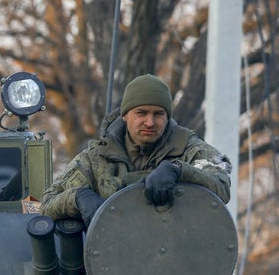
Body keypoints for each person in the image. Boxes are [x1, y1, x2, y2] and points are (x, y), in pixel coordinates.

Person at [39, 74, 231, 226]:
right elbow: (46, 204)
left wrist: (178, 170)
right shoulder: (98, 158)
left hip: (177, 260)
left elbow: (221, 185)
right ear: (125, 116)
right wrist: (78, 197)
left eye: (158, 114)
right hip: (111, 261)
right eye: (141, 113)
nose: (150, 122)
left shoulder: (188, 148)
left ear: (167, 116)